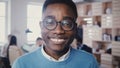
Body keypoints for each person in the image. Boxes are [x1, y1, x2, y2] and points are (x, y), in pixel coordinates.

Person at [12, 0, 99, 68]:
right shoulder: (22, 64)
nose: (58, 31)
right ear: (41, 26)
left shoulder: (89, 62)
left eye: (67, 23)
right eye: (50, 22)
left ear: (75, 28)